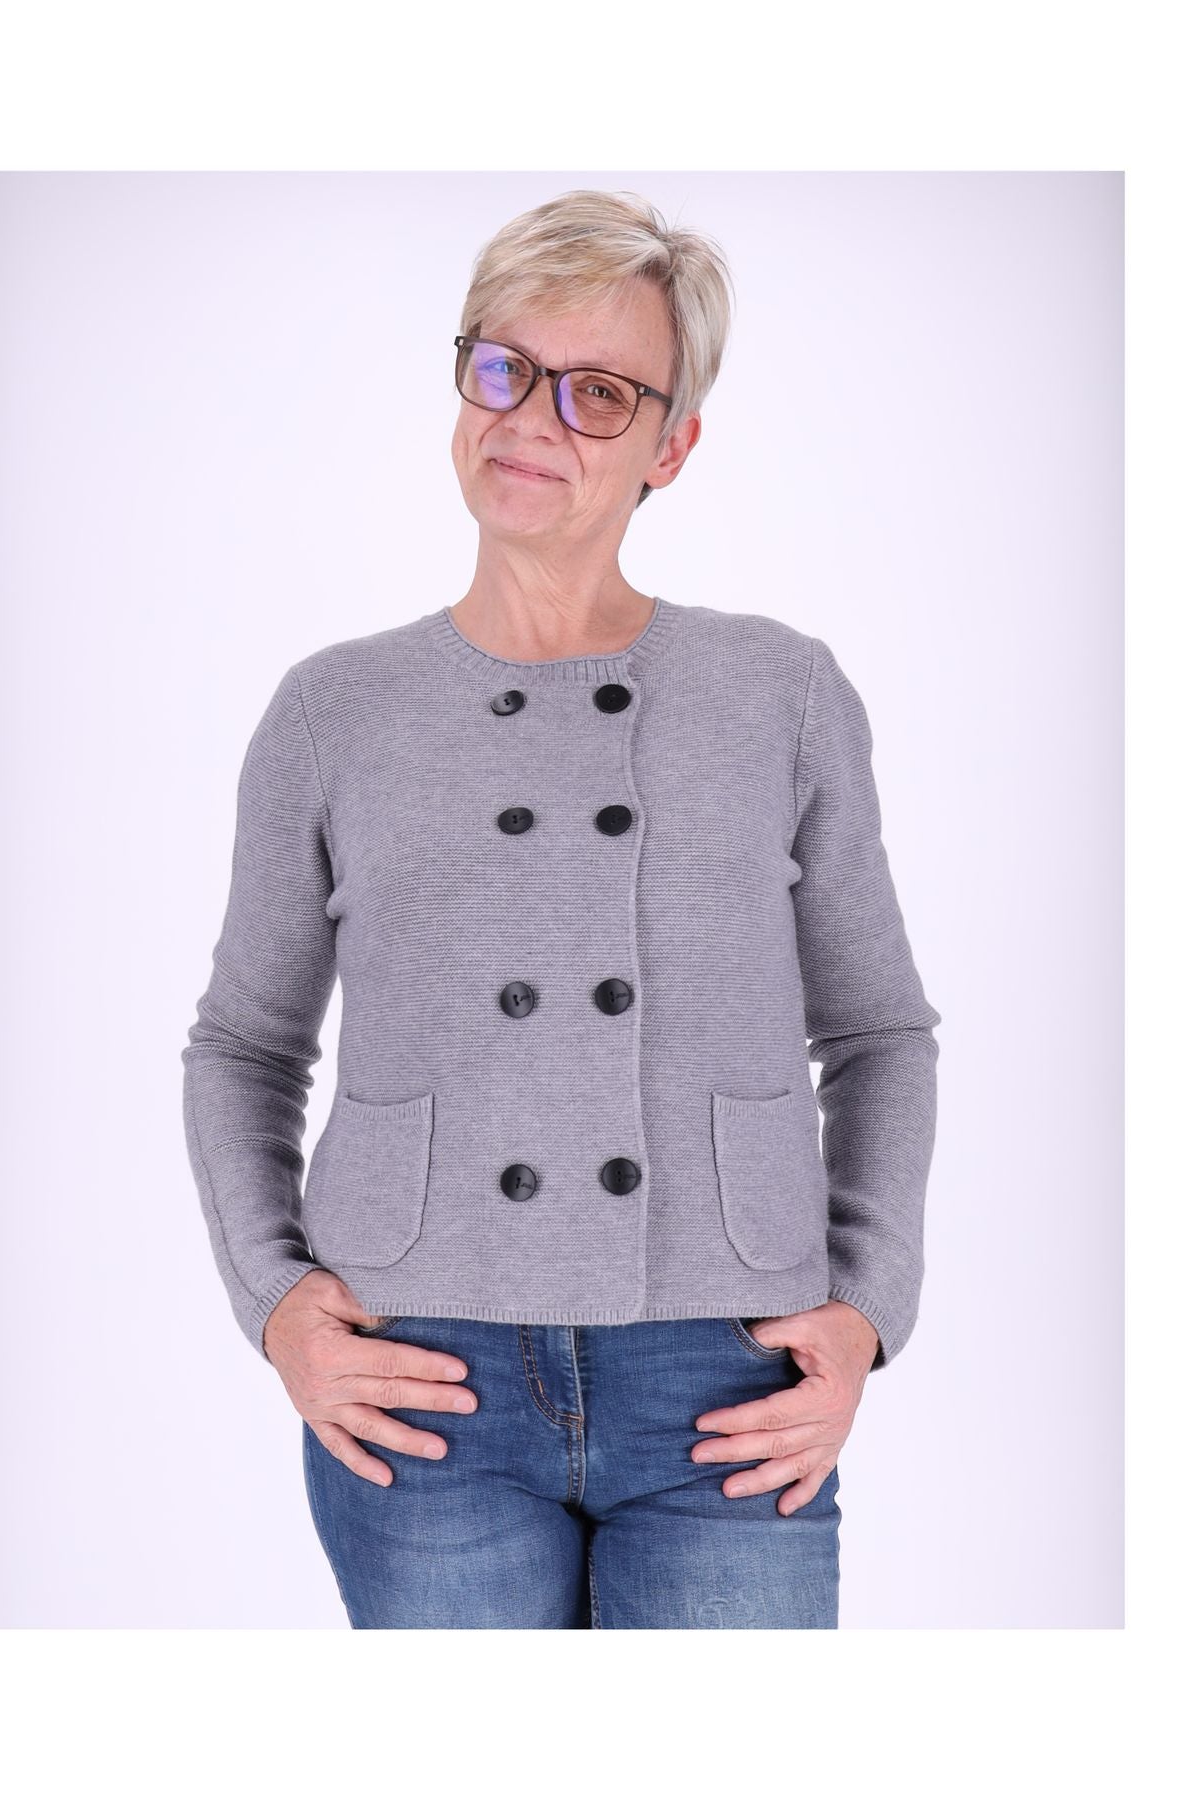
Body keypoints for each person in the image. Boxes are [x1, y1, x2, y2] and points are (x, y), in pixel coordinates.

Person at [181, 188, 941, 1629]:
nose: (532, 418)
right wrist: (274, 1302)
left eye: (599, 393)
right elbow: (243, 1046)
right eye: (504, 368)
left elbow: (879, 1032)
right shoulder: (334, 710)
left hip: (728, 1372)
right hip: (419, 1370)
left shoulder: (778, 693)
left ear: (673, 446)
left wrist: (868, 1304)